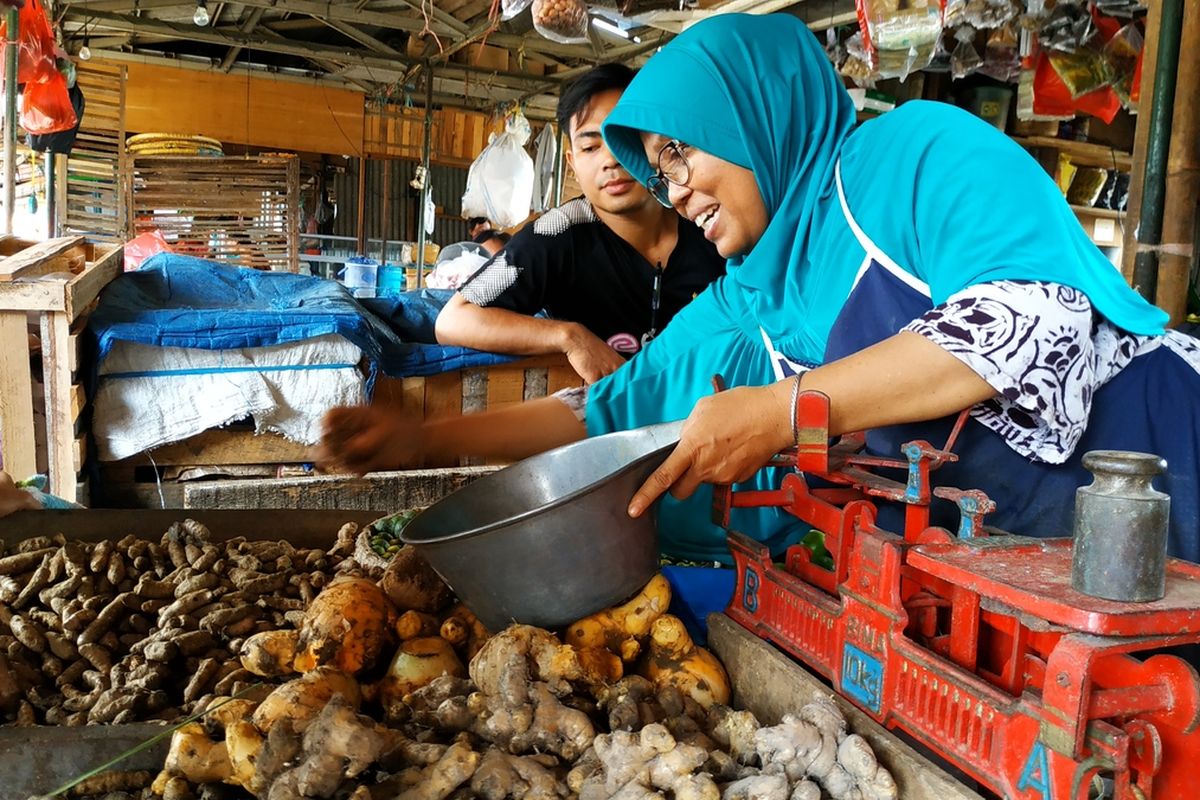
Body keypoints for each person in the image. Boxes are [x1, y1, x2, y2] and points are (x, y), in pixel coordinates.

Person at [321, 14, 1200, 567]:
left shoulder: (913, 157)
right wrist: (423, 439)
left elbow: (1027, 317)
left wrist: (783, 410)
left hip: (1172, 456)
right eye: (657, 169)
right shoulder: (756, 295)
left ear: (748, 115)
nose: (675, 189)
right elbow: (604, 412)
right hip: (1036, 555)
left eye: (683, 152)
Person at [435, 64, 727, 384]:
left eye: (623, 138)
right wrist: (568, 336)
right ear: (572, 164)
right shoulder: (555, 234)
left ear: (655, 143)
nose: (610, 160)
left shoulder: (706, 218)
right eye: (590, 147)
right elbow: (454, 319)